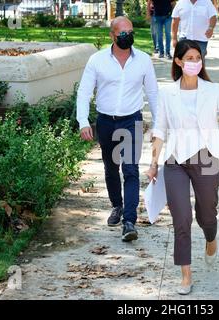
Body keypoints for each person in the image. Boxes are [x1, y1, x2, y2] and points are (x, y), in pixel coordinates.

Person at [146, 39, 219, 295]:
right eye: (189, 58)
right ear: (178, 61)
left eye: (197, 58)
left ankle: (211, 239)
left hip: (206, 158)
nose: (194, 62)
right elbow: (159, 129)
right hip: (175, 161)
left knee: (207, 214)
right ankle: (185, 275)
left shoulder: (211, 90)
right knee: (181, 219)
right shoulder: (167, 92)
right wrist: (153, 162)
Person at [76, 16, 158, 242]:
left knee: (130, 170)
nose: (127, 37)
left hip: (132, 121)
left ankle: (129, 221)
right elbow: (84, 92)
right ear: (112, 36)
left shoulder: (143, 60)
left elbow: (153, 94)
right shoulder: (97, 60)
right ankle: (117, 206)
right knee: (111, 167)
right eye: (122, 33)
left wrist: (159, 125)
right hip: (106, 122)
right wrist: (83, 121)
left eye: (130, 32)